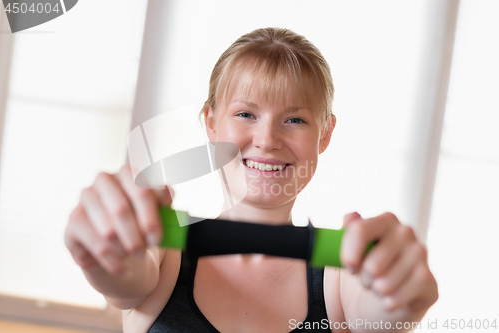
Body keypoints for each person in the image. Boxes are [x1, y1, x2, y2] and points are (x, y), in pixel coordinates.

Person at [65, 27, 438, 332]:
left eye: (295, 120)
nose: (267, 140)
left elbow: (380, 317)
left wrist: (397, 294)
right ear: (210, 122)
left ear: (324, 134)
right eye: (245, 114)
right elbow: (123, 275)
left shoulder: (341, 274)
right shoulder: (163, 251)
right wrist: (104, 249)